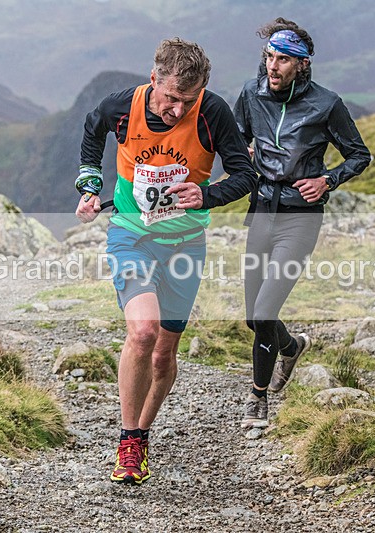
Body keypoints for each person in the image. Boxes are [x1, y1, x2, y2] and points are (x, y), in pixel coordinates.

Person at [173, 18, 371, 428]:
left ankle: (257, 399)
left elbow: (359, 154)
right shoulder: (251, 92)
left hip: (300, 217)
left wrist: (327, 180)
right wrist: (239, 152)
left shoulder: (326, 103)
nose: (273, 66)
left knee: (264, 312)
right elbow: (238, 135)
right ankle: (292, 345)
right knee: (253, 318)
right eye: (269, 57)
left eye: (283, 59)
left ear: (302, 64)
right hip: (262, 208)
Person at [75, 37, 256, 484]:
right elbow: (92, 129)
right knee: (142, 332)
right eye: (171, 98)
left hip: (185, 246)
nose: (177, 110)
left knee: (162, 355)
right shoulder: (122, 106)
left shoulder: (212, 113)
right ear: (154, 79)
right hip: (132, 237)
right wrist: (89, 183)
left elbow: (246, 174)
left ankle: (143, 433)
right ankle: (129, 441)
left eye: (187, 101)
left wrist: (207, 194)